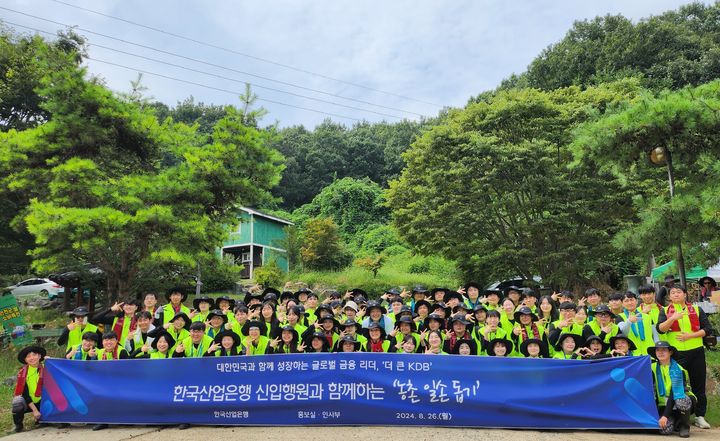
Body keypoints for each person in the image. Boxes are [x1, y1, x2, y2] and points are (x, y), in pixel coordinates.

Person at [657, 286, 713, 429]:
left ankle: (700, 416)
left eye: (678, 292)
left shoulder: (696, 309)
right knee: (676, 385)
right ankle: (679, 417)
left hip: (696, 352)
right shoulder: (665, 310)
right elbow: (660, 328)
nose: (675, 294)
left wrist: (690, 336)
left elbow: (707, 329)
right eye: (672, 293)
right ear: (669, 296)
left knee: (698, 384)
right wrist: (673, 318)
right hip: (676, 354)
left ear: (685, 294)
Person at [648, 341, 697, 438]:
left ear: (670, 352)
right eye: (658, 350)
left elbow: (674, 394)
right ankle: (675, 421)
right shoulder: (651, 367)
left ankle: (684, 426)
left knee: (681, 400)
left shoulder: (678, 369)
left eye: (664, 350)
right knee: (664, 430)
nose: (660, 352)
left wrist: (665, 416)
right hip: (663, 405)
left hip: (678, 401)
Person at [12, 346, 45, 433]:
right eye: (28, 356)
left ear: (39, 356)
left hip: (44, 401)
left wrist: (51, 360)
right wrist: (35, 410)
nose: (32, 358)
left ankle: (44, 419)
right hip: (29, 402)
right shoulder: (22, 373)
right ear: (25, 360)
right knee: (17, 402)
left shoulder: (48, 368)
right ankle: (18, 426)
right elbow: (24, 394)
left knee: (60, 423)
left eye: (34, 355)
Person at [617, 292, 658, 356]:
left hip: (649, 353)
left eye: (631, 300)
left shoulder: (647, 316)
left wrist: (657, 349)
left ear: (636, 301)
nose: (630, 303)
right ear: (622, 304)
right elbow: (623, 333)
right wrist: (629, 322)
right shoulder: (620, 317)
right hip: (632, 355)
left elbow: (655, 335)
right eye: (626, 301)